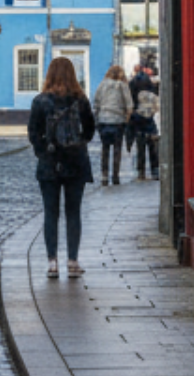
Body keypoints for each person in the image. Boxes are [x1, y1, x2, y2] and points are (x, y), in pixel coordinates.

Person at [27, 56, 96, 278]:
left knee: (51, 212)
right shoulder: (81, 100)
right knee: (73, 212)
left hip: (50, 163)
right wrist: (77, 146)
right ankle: (73, 261)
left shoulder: (40, 101)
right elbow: (90, 130)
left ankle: (52, 262)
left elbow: (33, 132)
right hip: (76, 162)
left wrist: (44, 151)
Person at [93, 63, 133, 186]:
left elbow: (96, 102)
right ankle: (115, 175)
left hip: (103, 120)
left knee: (105, 149)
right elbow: (129, 105)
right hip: (118, 121)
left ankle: (104, 175)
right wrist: (127, 118)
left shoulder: (102, 85)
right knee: (117, 149)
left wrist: (97, 118)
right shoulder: (123, 86)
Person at [131, 81, 161, 182]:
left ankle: (141, 172)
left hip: (140, 125)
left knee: (140, 150)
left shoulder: (137, 95)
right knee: (153, 151)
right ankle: (155, 171)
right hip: (151, 125)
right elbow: (158, 108)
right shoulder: (153, 96)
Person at [126, 63, 159, 157]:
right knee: (152, 139)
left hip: (137, 113)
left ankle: (140, 165)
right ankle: (154, 164)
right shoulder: (149, 82)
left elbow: (130, 97)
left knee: (139, 138)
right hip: (148, 114)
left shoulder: (133, 82)